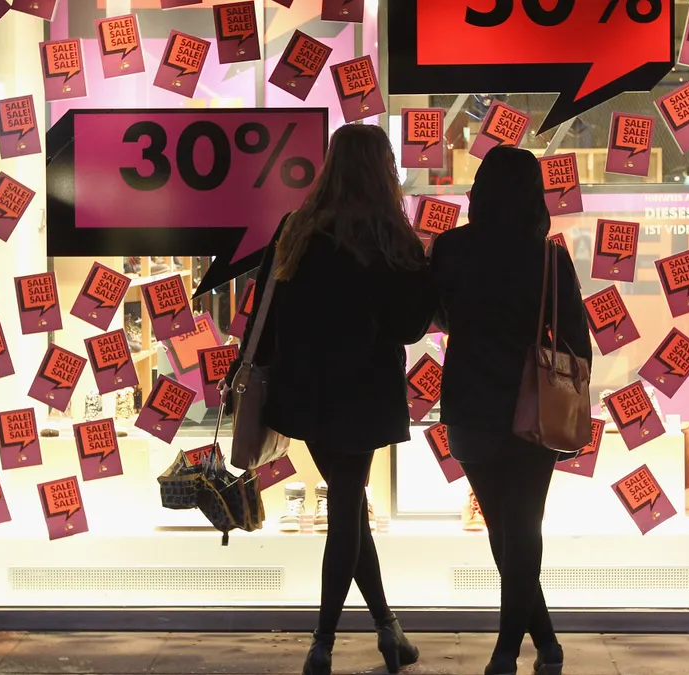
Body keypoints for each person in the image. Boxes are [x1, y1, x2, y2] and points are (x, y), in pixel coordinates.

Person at [223, 124, 431, 675]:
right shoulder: (391, 237)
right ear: (383, 170)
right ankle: (324, 642)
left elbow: (263, 315)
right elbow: (412, 328)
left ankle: (389, 631)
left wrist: (249, 373)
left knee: (348, 510)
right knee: (346, 509)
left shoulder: (296, 229)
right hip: (363, 392)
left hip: (304, 391)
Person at [429, 146, 591, 675]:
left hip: (470, 403)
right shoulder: (549, 257)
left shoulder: (451, 249)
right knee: (522, 526)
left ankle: (531, 646)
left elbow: (439, 316)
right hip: (533, 408)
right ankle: (521, 645)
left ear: (479, 191)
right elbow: (576, 343)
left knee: (504, 527)